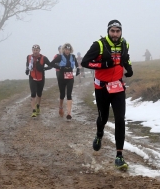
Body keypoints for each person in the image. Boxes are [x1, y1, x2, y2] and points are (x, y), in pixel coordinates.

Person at [81, 19, 133, 170]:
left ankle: (119, 156)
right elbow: (85, 62)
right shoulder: (99, 45)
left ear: (121, 32)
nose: (115, 34)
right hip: (102, 87)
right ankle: (99, 134)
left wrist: (129, 68)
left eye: (118, 31)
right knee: (103, 117)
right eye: (113, 31)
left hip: (117, 86)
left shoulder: (125, 44)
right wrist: (103, 65)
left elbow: (125, 58)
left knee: (120, 119)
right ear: (108, 31)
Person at [50, 43, 80, 120]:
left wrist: (78, 69)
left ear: (70, 50)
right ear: (63, 49)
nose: (67, 51)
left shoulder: (73, 57)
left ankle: (69, 113)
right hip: (61, 77)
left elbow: (77, 65)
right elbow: (52, 63)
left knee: (69, 94)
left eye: (69, 50)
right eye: (66, 49)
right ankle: (60, 107)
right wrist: (59, 67)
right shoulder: (59, 57)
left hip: (70, 77)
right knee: (62, 94)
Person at [25, 44, 54, 117]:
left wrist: (44, 69)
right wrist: (27, 69)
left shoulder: (43, 58)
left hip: (41, 78)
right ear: (32, 50)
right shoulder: (29, 57)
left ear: (39, 50)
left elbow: (51, 65)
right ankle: (34, 110)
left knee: (39, 94)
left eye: (37, 50)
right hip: (32, 77)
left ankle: (38, 106)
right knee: (33, 93)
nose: (35, 52)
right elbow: (27, 64)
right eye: (34, 50)